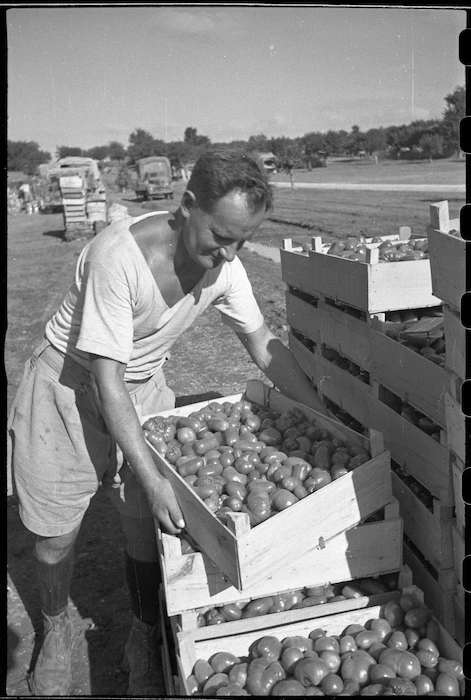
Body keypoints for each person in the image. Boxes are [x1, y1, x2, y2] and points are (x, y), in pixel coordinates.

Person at [8, 147, 327, 696]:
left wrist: (325, 418)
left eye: (243, 241)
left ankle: (142, 632)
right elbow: (107, 377)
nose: (229, 255)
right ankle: (56, 627)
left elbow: (263, 346)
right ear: (187, 206)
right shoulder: (119, 257)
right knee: (56, 535)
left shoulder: (225, 268)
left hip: (142, 386)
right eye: (221, 237)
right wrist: (153, 477)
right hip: (70, 384)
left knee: (148, 525)